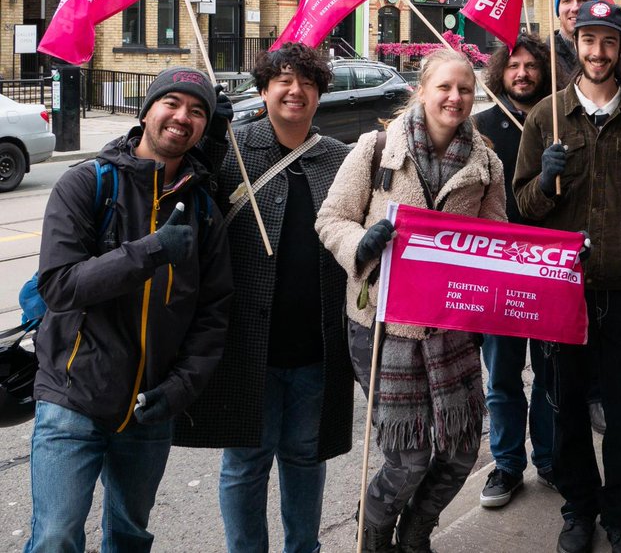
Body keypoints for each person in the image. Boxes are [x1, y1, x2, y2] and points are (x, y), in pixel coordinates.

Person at [27, 66, 233, 553]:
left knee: (129, 536)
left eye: (197, 110)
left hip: (150, 410)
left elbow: (213, 315)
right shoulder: (87, 184)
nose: (183, 117)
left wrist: (180, 388)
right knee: (56, 536)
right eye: (173, 103)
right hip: (73, 397)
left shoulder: (204, 209)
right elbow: (59, 286)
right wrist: (150, 251)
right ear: (147, 112)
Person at [315, 49, 506, 553]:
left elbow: (496, 239)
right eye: (445, 87)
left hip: (451, 328)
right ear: (420, 89)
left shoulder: (487, 164)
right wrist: (361, 244)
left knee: (462, 451)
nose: (455, 97)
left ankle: (417, 529)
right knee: (409, 457)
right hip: (382, 326)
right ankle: (374, 531)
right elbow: (331, 218)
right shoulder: (376, 149)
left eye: (465, 89)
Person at [514, 0, 621, 553]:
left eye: (608, 41)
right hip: (563, 298)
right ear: (576, 43)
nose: (598, 52)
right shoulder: (546, 119)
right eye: (588, 40)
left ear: (619, 47)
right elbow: (520, 209)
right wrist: (543, 182)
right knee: (563, 411)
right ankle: (578, 510)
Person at [176, 44, 354, 552]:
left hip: (315, 348)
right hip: (244, 346)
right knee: (244, 464)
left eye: (307, 82)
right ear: (263, 90)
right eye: (283, 80)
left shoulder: (339, 160)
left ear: (320, 94)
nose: (294, 90)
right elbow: (180, 190)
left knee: (304, 458)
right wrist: (208, 138)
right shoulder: (231, 148)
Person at [473, 35, 557, 508]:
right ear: (501, 73)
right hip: (497, 273)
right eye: (513, 66)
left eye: (530, 65)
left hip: (547, 271)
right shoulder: (481, 127)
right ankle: (507, 466)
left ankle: (548, 460)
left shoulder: (560, 121)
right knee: (502, 378)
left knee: (549, 375)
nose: (522, 73)